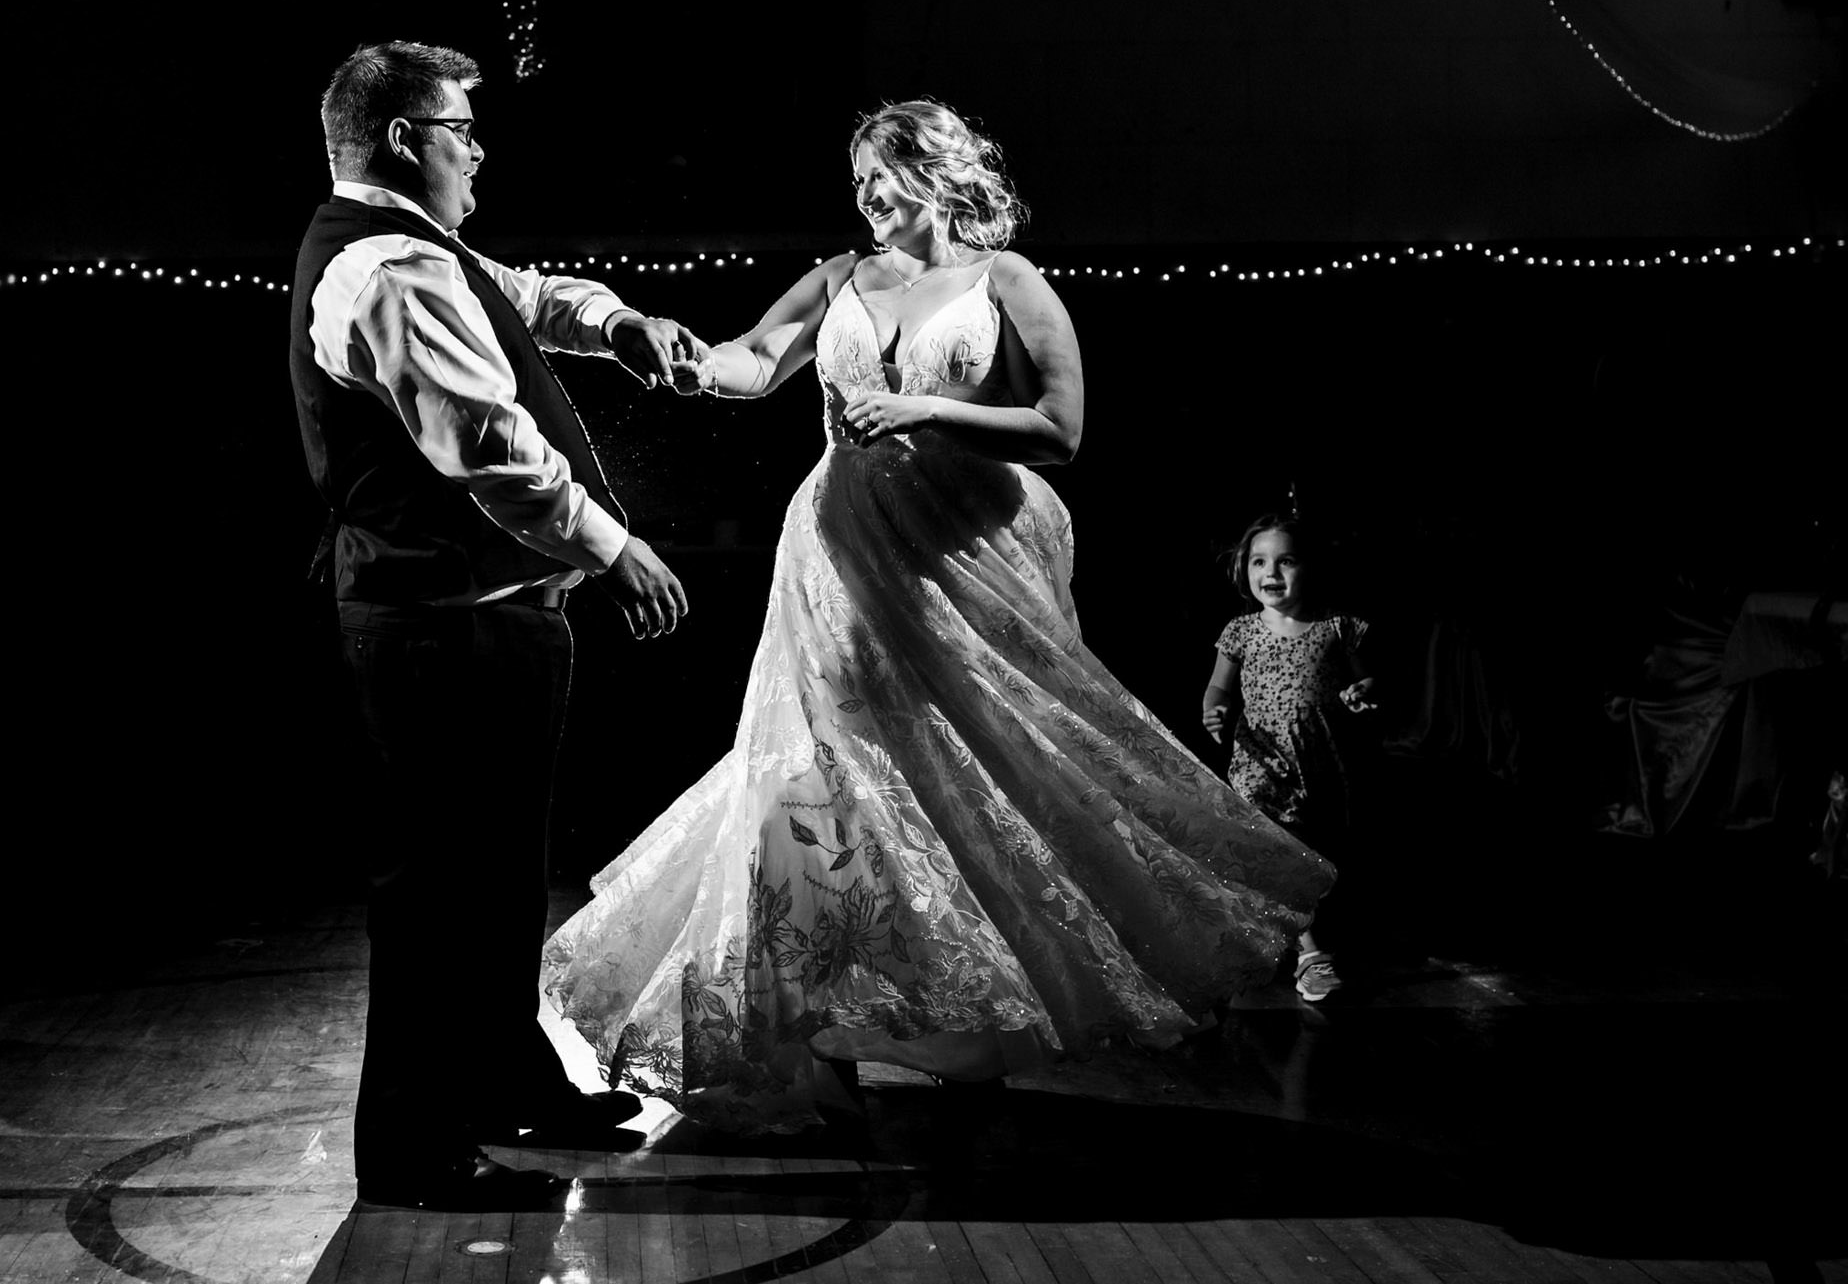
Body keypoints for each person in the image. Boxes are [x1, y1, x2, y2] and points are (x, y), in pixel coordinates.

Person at [540, 100, 1334, 1134]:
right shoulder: (836, 277)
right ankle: (815, 1023)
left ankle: (966, 1016)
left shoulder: (1008, 282)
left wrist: (924, 409)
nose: (867, 195)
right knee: (823, 777)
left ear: (940, 172)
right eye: (858, 179)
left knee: (965, 773)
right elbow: (749, 361)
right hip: (839, 553)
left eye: (883, 173)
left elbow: (1059, 427)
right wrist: (689, 359)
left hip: (963, 551)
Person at [289, 40, 705, 1208]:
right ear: (408, 140)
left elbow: (528, 299)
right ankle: (415, 1151)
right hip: (433, 624)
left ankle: (507, 1080)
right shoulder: (386, 270)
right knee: (436, 891)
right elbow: (484, 447)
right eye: (463, 130)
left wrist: (617, 321)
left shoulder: (430, 252)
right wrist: (616, 548)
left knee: (498, 878)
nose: (478, 151)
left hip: (490, 617)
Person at [1201, 512, 1377, 1002]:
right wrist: (1213, 710)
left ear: (1311, 568)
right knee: (1281, 853)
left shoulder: (1337, 627)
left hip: (1322, 763)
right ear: (1245, 569)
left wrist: (1365, 690)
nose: (1271, 573)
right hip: (1261, 763)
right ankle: (1310, 954)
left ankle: (1290, 936)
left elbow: (1370, 679)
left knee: (1322, 859)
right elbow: (1219, 687)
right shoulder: (1240, 631)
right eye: (1259, 561)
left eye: (1287, 561)